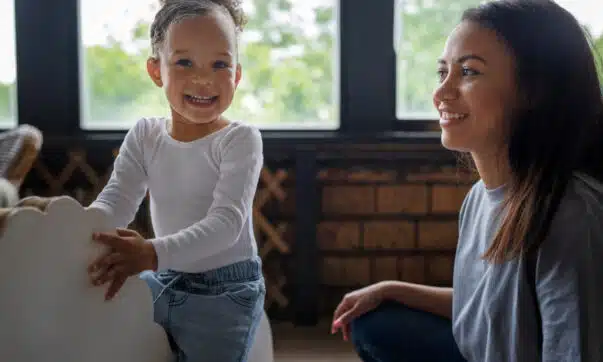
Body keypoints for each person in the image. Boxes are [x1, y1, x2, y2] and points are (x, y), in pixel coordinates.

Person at [331, 0, 603, 361]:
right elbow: (490, 307)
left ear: (534, 92)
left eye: (469, 72)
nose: (442, 93)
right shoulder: (479, 198)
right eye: (443, 71)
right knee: (375, 322)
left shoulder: (568, 214)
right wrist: (392, 289)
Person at [85, 0, 266, 361]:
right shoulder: (145, 135)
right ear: (156, 71)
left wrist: (151, 252)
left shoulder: (240, 139)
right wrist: (81, 230)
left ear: (237, 75)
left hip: (224, 292)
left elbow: (226, 223)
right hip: (161, 277)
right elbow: (116, 200)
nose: (204, 78)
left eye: (220, 64)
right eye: (185, 62)